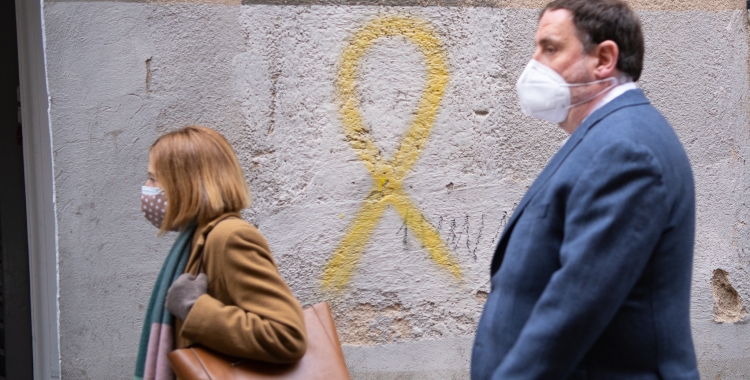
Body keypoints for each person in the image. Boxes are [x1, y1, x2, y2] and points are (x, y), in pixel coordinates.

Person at [471, 0, 699, 379]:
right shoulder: (608, 137)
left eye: (551, 48)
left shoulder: (626, 149)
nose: (534, 65)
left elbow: (576, 305)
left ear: (604, 59)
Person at [134, 126, 307, 380]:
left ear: (183, 183)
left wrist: (195, 309)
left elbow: (287, 335)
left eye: (153, 179)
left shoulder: (229, 237)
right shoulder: (197, 240)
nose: (147, 188)